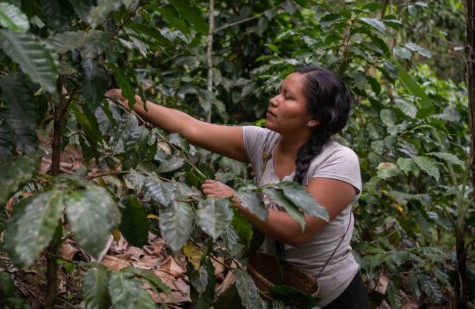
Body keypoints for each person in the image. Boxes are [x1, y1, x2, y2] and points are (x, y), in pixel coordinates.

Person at [105, 65, 368, 308]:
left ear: (313, 118)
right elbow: (192, 127)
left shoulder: (338, 161)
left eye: (288, 97)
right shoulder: (263, 141)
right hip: (275, 287)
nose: (274, 100)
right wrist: (129, 100)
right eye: (278, 92)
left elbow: (299, 231)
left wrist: (236, 199)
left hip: (335, 297)